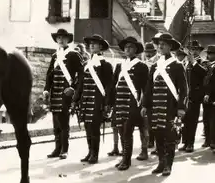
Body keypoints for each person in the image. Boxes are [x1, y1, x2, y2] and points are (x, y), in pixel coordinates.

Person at [141, 33, 187, 176]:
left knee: (170, 137)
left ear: (170, 47)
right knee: (158, 136)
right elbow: (149, 88)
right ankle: (161, 163)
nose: (160, 46)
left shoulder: (177, 66)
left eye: (164, 44)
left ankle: (168, 165)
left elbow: (184, 89)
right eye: (159, 44)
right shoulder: (155, 66)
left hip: (170, 108)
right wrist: (144, 105)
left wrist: (181, 107)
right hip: (155, 108)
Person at [109, 37, 149, 170]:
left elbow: (146, 88)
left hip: (132, 104)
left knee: (127, 133)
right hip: (119, 103)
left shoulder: (142, 66)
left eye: (131, 47)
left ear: (136, 50)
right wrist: (109, 103)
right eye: (126, 47)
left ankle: (126, 161)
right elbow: (113, 85)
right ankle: (124, 158)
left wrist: (144, 105)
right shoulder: (120, 66)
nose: (127, 49)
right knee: (121, 132)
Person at [43, 29, 83, 159]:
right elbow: (49, 74)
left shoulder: (73, 55)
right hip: (55, 92)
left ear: (68, 40)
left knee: (64, 123)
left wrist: (73, 88)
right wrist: (46, 90)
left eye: (63, 38)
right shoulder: (55, 56)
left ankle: (64, 150)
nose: (60, 40)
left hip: (66, 93)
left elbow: (81, 75)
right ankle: (57, 148)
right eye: (58, 38)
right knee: (56, 122)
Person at [73, 34, 113, 164]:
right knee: (87, 127)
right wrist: (75, 99)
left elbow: (109, 86)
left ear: (101, 47)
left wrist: (107, 103)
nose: (91, 46)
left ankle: (95, 154)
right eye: (90, 44)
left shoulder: (106, 64)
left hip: (97, 101)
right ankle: (90, 151)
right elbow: (80, 84)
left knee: (94, 128)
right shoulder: (86, 64)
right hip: (86, 100)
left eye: (94, 44)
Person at [179, 41, 207, 153]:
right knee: (184, 120)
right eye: (191, 49)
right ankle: (185, 142)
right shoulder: (185, 63)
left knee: (192, 121)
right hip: (185, 96)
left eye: (196, 49)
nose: (193, 51)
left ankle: (190, 143)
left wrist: (194, 62)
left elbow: (204, 73)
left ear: (199, 51)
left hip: (195, 96)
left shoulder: (202, 62)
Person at [201, 46, 215, 149]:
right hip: (204, 96)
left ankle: (214, 140)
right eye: (208, 53)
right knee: (206, 119)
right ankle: (207, 139)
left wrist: (210, 94)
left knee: (214, 120)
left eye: (211, 53)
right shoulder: (204, 65)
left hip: (214, 96)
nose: (209, 55)